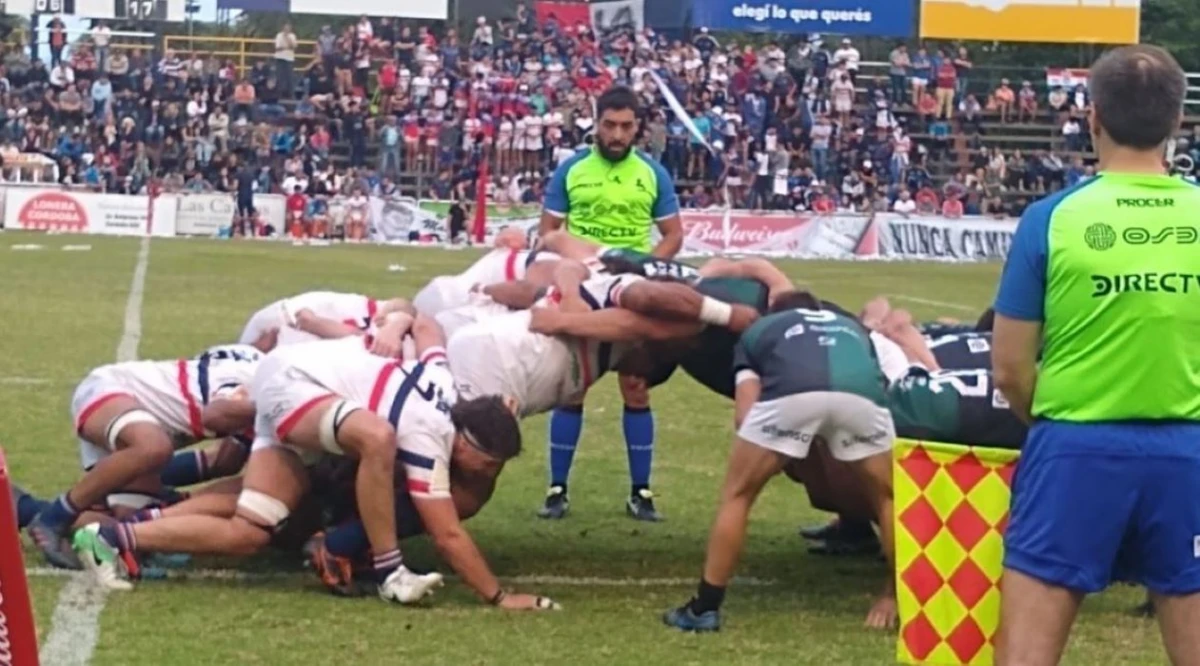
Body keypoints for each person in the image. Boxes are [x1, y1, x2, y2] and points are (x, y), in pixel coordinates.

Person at [990, 45, 1200, 665]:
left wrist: (1052, 421)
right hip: (1189, 451)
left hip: (1074, 447)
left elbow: (1009, 366)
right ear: (1177, 120)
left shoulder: (1050, 219)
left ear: (1093, 117)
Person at [661, 295, 897, 632]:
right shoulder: (851, 327)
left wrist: (780, 448)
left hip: (794, 394)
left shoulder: (759, 330)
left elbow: (745, 415)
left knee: (738, 495)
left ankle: (704, 608)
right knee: (888, 498)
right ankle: (897, 595)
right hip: (862, 399)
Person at [536, 85, 684, 521]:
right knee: (573, 386)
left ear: (638, 128)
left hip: (631, 288)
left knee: (635, 386)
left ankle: (641, 492)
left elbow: (674, 234)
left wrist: (646, 268)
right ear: (596, 124)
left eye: (626, 126)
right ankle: (557, 489)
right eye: (609, 125)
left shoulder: (653, 173)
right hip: (583, 284)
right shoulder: (572, 169)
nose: (617, 134)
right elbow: (548, 232)